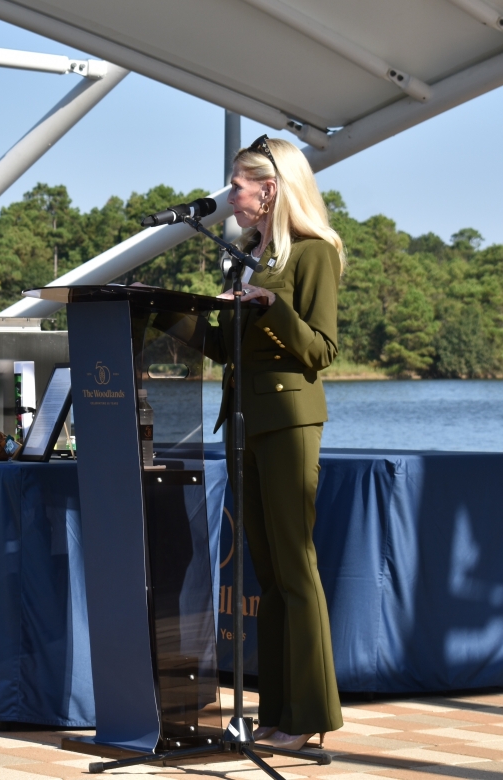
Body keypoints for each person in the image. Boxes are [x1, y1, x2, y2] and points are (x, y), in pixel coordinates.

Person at [205, 135, 345, 748]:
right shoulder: (244, 256)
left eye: (238, 184)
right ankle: (278, 714)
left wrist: (269, 307)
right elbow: (222, 349)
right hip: (242, 420)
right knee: (267, 573)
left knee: (296, 566)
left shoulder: (313, 254)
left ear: (270, 189)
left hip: (289, 421)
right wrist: (165, 314)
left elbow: (321, 350)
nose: (229, 194)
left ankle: (311, 717)